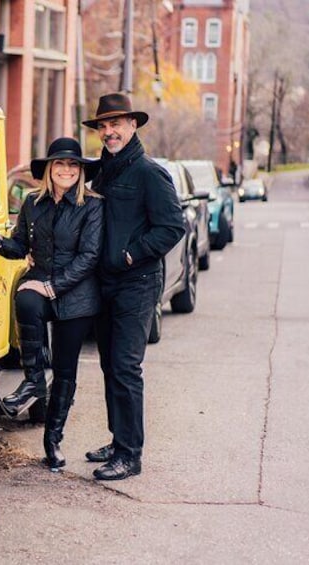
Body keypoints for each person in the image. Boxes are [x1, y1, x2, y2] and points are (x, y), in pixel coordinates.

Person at [0, 137, 103, 470]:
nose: (67, 170)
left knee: (65, 370)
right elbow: (18, 246)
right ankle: (32, 380)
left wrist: (53, 287)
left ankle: (52, 440)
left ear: (81, 171)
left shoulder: (93, 205)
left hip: (77, 294)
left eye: (73, 165)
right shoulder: (33, 203)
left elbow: (89, 257)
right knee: (25, 298)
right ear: (50, 170)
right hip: (40, 281)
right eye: (60, 164)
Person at [81, 92, 185, 480]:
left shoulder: (148, 172)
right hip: (103, 284)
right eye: (103, 126)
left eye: (116, 124)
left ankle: (129, 454)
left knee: (125, 367)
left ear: (133, 125)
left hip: (136, 283)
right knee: (109, 365)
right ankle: (117, 439)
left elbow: (173, 227)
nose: (109, 132)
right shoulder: (103, 171)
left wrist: (131, 254)